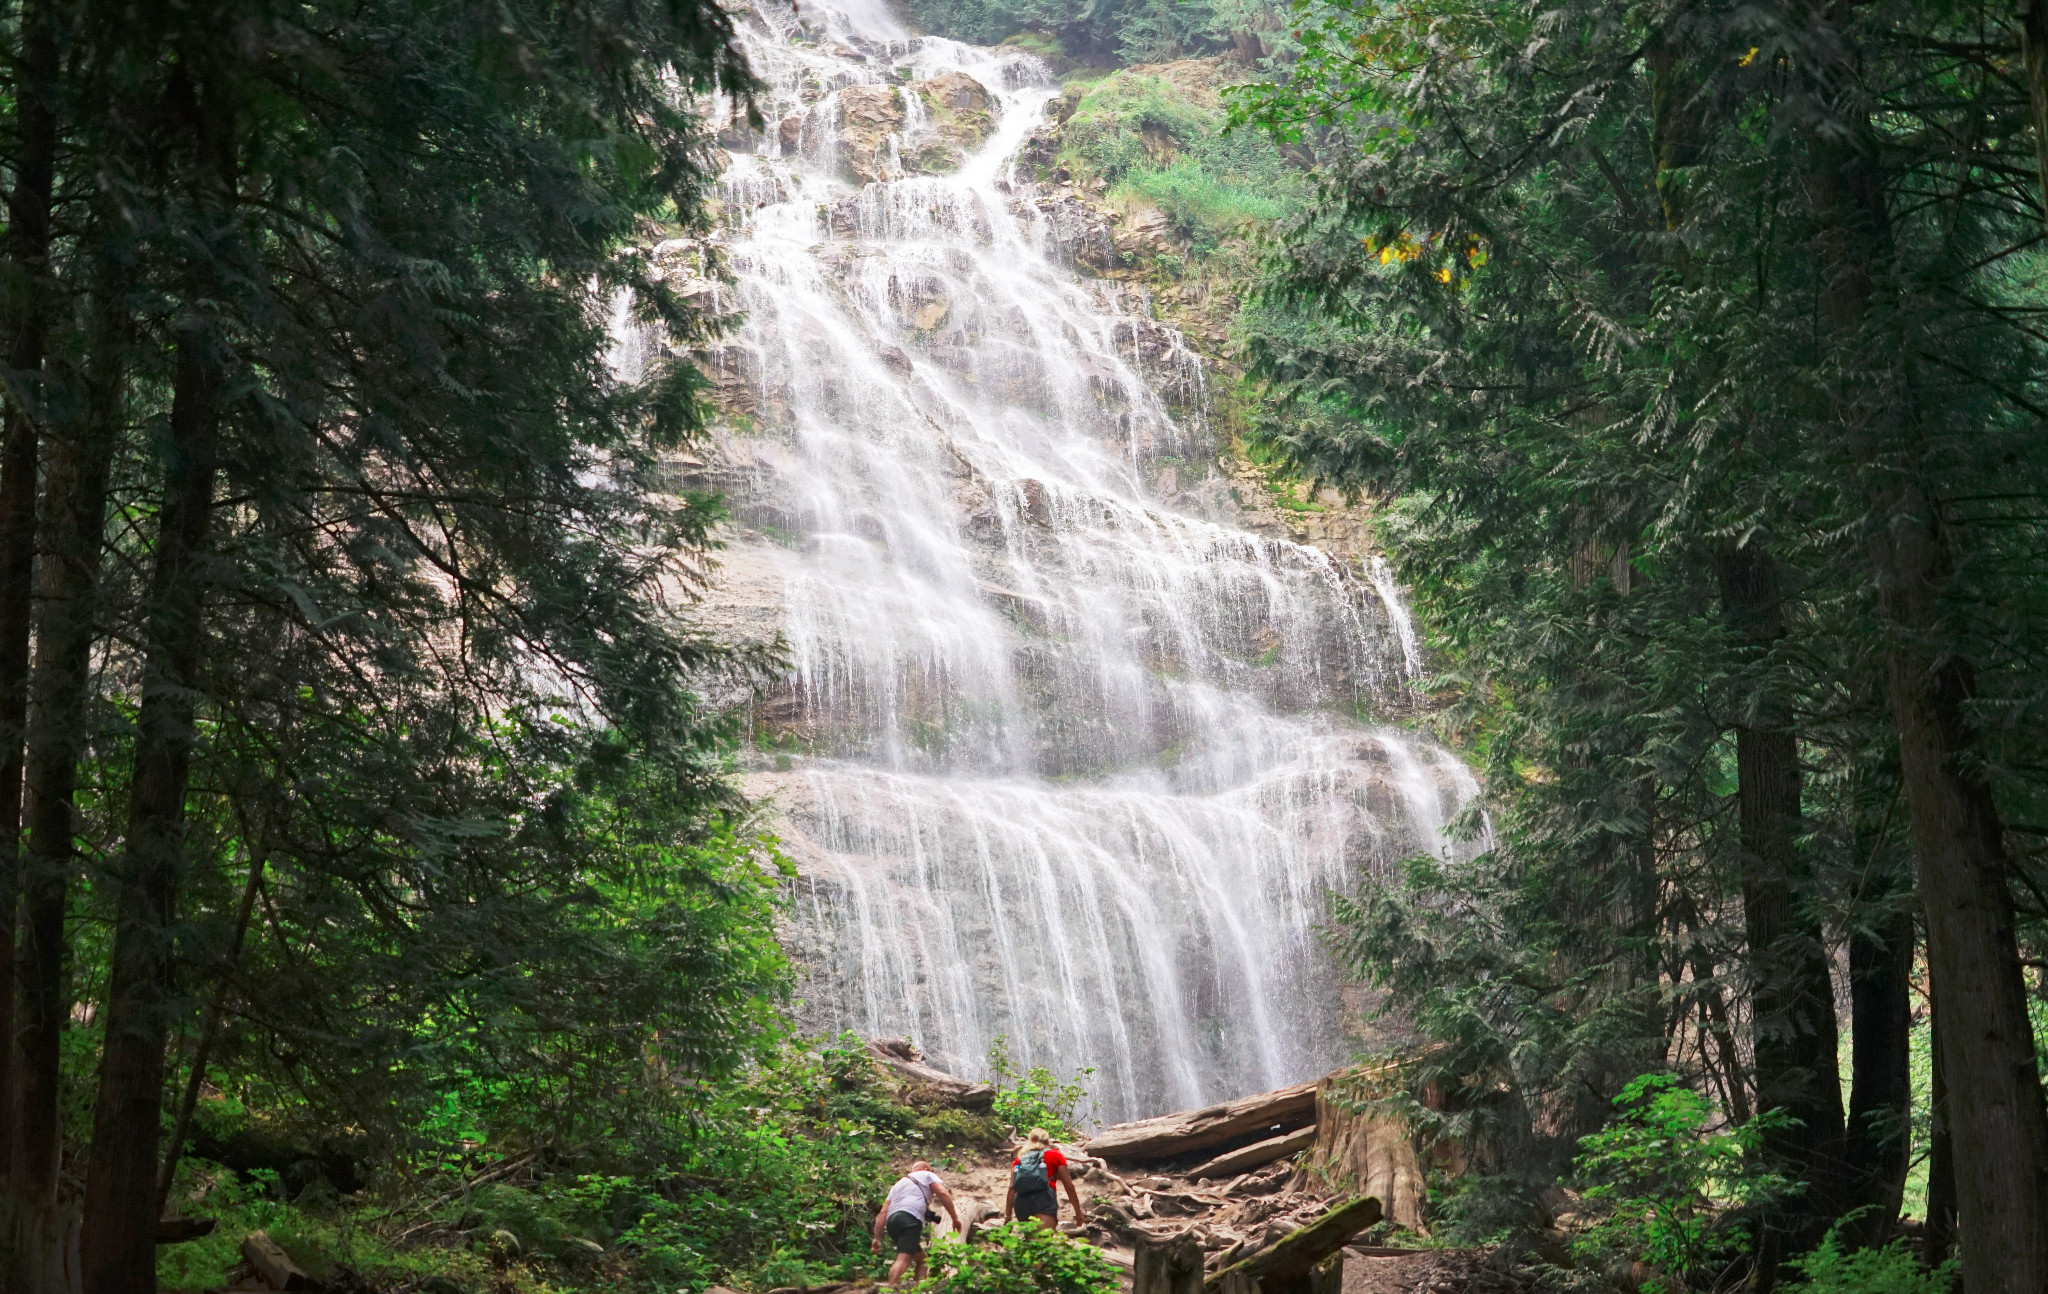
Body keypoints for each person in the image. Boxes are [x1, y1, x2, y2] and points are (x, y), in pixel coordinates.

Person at [872, 1159, 961, 1286]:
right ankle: (892, 1289)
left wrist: (876, 1238)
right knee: (903, 1258)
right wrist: (955, 1218)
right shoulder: (926, 1174)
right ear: (926, 1170)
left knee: (923, 1260)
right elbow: (942, 1193)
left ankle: (918, 1288)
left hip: (892, 1222)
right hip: (909, 1218)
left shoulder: (898, 1184)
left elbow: (883, 1212)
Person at [1003, 1127, 1085, 1230]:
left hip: (1021, 1201)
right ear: (1047, 1141)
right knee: (1043, 1240)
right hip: (1043, 1198)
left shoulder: (1020, 1159)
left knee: (1030, 1241)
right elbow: (1069, 1186)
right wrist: (1078, 1214)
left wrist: (1008, 1216)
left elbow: (1012, 1188)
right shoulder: (1055, 1155)